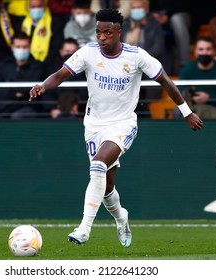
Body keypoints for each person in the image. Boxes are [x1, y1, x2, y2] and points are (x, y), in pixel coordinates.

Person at [29, 8, 203, 247]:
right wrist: (43, 86)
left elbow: (166, 81)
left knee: (98, 165)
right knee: (107, 187)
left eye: (107, 32)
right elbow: (60, 75)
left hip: (122, 124)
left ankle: (84, 228)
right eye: (98, 32)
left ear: (119, 32)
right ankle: (121, 217)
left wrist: (187, 111)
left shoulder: (136, 56)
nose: (102, 37)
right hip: (93, 125)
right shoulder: (89, 53)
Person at [0, 32, 44, 119]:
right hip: (3, 108)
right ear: (12, 47)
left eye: (24, 47)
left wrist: (9, 85)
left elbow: (32, 90)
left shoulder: (38, 66)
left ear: (30, 48)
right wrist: (15, 93)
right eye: (18, 47)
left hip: (26, 107)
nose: (21, 50)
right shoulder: (3, 65)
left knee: (17, 116)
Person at [179, 36, 216, 119]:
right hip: (193, 110)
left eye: (208, 49)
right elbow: (180, 93)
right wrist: (191, 98)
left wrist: (209, 98)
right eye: (201, 49)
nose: (204, 53)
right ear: (195, 52)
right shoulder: (187, 69)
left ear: (214, 51)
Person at [15, 0, 64, 64]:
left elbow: (56, 47)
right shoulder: (22, 22)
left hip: (47, 62)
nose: (36, 9)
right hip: (26, 62)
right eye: (33, 7)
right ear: (28, 8)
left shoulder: (55, 22)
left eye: (39, 6)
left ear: (45, 6)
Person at [149, 0, 192, 73]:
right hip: (157, 17)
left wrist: (167, 16)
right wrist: (154, 14)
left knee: (176, 19)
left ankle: (184, 64)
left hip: (179, 15)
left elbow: (189, 6)